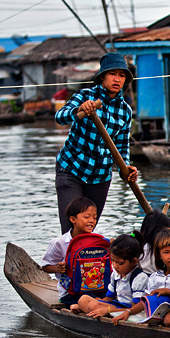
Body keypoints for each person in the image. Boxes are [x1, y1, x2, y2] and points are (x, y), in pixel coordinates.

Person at [54, 52, 138, 234]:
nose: (117, 79)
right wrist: (79, 110)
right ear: (102, 76)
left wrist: (126, 167)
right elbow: (59, 117)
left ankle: (82, 260)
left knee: (88, 227)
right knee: (73, 226)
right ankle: (66, 260)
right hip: (71, 169)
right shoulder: (85, 96)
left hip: (100, 176)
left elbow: (122, 145)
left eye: (121, 75)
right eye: (112, 74)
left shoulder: (125, 111)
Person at [111, 228, 170, 328]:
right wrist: (128, 312)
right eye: (166, 252)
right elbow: (146, 301)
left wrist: (169, 292)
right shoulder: (155, 277)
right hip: (157, 315)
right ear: (159, 255)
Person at [71, 234, 148, 318]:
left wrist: (107, 310)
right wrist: (100, 303)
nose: (115, 265)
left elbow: (135, 308)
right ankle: (91, 310)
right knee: (83, 299)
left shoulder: (139, 278)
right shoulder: (116, 274)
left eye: (120, 263)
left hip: (129, 311)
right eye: (113, 261)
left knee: (92, 306)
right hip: (116, 305)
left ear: (134, 261)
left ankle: (92, 311)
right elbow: (109, 298)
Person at [42, 197, 99, 304]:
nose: (91, 221)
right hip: (70, 292)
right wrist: (58, 268)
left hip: (96, 287)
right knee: (95, 301)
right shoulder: (60, 243)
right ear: (73, 219)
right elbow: (45, 267)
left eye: (94, 218)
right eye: (86, 217)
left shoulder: (97, 241)